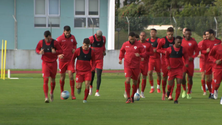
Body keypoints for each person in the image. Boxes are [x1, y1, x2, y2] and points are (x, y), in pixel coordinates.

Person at [35, 30, 63, 103]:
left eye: (49, 38)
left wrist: (55, 52)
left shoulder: (55, 42)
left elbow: (61, 50)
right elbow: (37, 49)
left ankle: (51, 92)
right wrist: (39, 52)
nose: (48, 39)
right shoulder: (41, 42)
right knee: (46, 80)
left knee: (53, 80)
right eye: (47, 38)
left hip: (53, 63)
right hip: (45, 63)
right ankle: (46, 97)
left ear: (51, 36)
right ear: (44, 37)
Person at [119, 32, 146, 103]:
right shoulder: (125, 44)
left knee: (135, 81)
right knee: (127, 80)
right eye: (130, 39)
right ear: (128, 38)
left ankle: (132, 97)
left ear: (135, 38)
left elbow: (144, 53)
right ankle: (128, 97)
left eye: (133, 39)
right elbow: (122, 51)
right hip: (127, 65)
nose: (131, 40)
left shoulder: (139, 45)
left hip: (136, 66)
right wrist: (120, 58)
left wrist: (140, 54)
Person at [70, 38, 95, 103]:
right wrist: (72, 68)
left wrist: (93, 67)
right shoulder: (78, 50)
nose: (86, 47)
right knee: (78, 86)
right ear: (83, 44)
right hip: (79, 71)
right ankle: (79, 88)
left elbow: (94, 60)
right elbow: (72, 59)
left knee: (87, 84)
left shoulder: (91, 51)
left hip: (88, 71)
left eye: (88, 45)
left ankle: (85, 99)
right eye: (85, 45)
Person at [165, 36, 189, 104]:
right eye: (178, 42)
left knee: (178, 84)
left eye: (180, 42)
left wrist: (186, 63)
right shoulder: (169, 49)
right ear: (175, 41)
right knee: (170, 84)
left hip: (179, 69)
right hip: (171, 69)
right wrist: (168, 65)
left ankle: (176, 99)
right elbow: (166, 58)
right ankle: (168, 91)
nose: (179, 44)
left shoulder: (183, 49)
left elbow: (186, 57)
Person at [57, 26, 77, 100]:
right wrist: (59, 54)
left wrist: (74, 49)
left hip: (70, 60)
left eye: (69, 32)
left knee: (71, 76)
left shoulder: (73, 38)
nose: (68, 34)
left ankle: (72, 94)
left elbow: (75, 44)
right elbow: (55, 48)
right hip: (62, 61)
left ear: (70, 31)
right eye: (66, 32)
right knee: (62, 77)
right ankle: (62, 93)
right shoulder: (59, 39)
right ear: (64, 31)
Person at [201, 29, 221, 98]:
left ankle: (213, 92)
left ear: (212, 34)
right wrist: (205, 51)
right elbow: (202, 51)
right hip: (208, 62)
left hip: (216, 63)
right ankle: (210, 91)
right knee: (208, 79)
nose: (206, 36)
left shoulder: (218, 41)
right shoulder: (205, 42)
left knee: (214, 78)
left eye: (207, 34)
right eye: (206, 34)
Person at [157, 27, 175, 100]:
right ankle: (164, 93)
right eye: (169, 34)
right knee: (164, 77)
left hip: (173, 62)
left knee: (172, 78)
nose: (170, 35)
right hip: (164, 62)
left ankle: (170, 94)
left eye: (171, 34)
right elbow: (157, 49)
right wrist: (164, 51)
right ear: (166, 33)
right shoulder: (163, 40)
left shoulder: (175, 40)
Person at [181, 29, 199, 99]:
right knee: (182, 77)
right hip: (183, 62)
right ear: (184, 34)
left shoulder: (193, 42)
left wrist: (193, 57)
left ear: (191, 34)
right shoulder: (181, 41)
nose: (188, 35)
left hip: (190, 63)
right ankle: (184, 90)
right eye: (186, 34)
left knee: (190, 78)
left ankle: (189, 92)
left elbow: (197, 52)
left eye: (189, 34)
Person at [89, 30, 106, 96]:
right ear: (96, 35)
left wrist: (104, 51)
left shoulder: (103, 38)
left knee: (99, 75)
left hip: (100, 59)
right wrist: (90, 49)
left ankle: (97, 91)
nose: (99, 38)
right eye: (98, 36)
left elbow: (103, 45)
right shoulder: (91, 38)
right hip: (92, 60)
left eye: (100, 37)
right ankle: (90, 87)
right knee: (92, 75)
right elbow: (86, 46)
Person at [137, 31, 153, 98]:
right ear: (139, 36)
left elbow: (152, 53)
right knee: (137, 77)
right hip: (138, 63)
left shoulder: (148, 44)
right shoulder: (137, 43)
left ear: (146, 37)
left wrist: (145, 54)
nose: (142, 37)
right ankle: (137, 91)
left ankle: (142, 93)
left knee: (144, 77)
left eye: (143, 35)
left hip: (145, 64)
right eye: (141, 35)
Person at [147, 28, 162, 93]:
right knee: (150, 73)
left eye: (153, 32)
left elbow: (161, 48)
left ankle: (158, 87)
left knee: (158, 73)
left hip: (157, 59)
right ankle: (152, 87)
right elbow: (145, 49)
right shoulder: (148, 40)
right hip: (150, 59)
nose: (152, 33)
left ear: (156, 33)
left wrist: (157, 50)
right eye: (151, 32)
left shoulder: (159, 40)